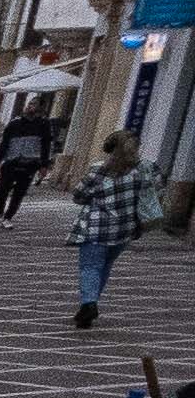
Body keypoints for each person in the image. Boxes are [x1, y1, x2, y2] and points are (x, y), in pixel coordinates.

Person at [67, 128, 161, 328]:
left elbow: (78, 196)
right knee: (105, 267)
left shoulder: (99, 170)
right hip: (125, 229)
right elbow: (158, 186)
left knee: (90, 267)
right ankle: (90, 302)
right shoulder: (144, 169)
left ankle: (89, 303)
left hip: (96, 228)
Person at [0, 104, 56, 228]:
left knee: (19, 193)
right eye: (29, 107)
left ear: (39, 113)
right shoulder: (14, 124)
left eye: (33, 109)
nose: (30, 109)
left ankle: (8, 217)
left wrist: (44, 165)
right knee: (2, 190)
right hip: (11, 161)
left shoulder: (44, 126)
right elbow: (4, 143)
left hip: (30, 163)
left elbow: (46, 146)